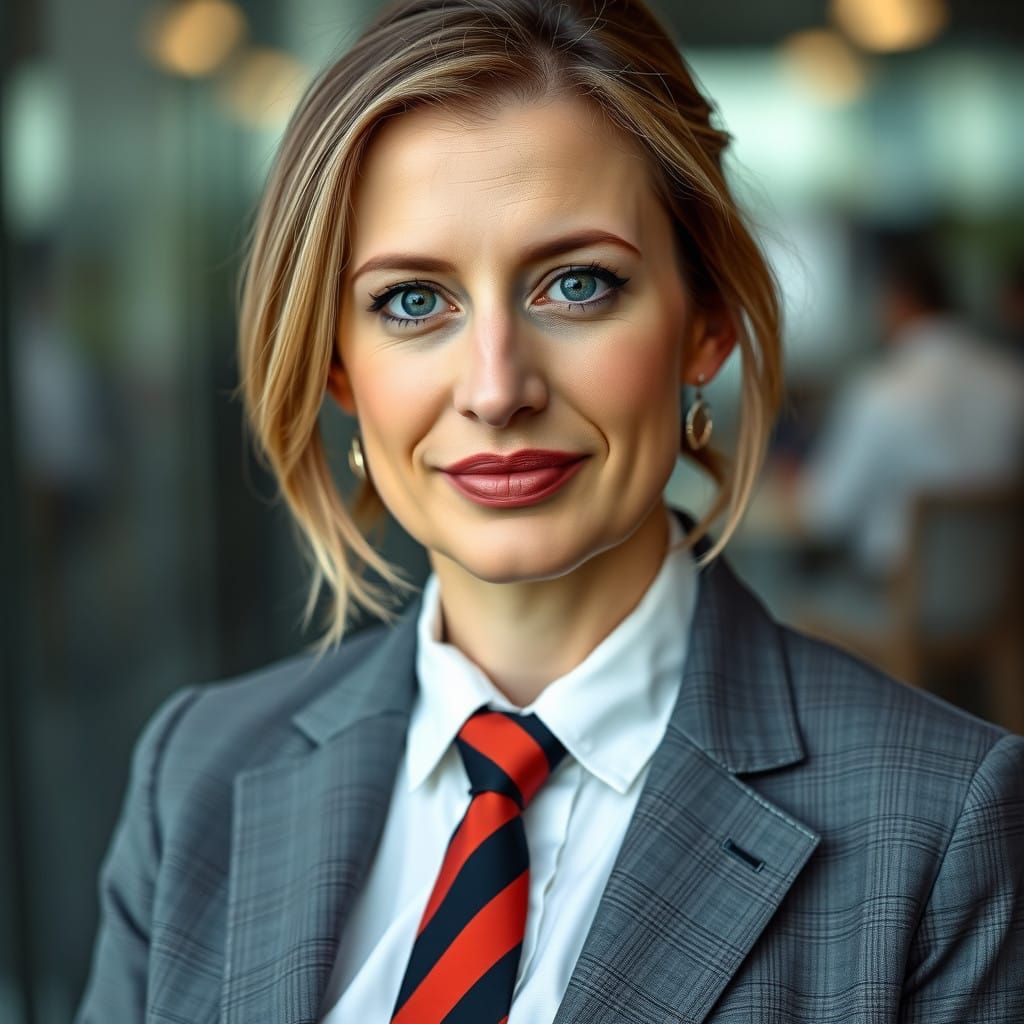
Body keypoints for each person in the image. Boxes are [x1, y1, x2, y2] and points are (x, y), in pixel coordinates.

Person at [75, 1, 1024, 1021]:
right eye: (412, 301)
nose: (495, 390)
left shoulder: (940, 828)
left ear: (704, 324)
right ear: (337, 365)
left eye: (576, 285)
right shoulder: (195, 777)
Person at [795, 247, 1024, 581]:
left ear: (898, 300)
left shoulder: (881, 391)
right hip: (1000, 594)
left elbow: (825, 514)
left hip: (893, 595)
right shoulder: (1011, 381)